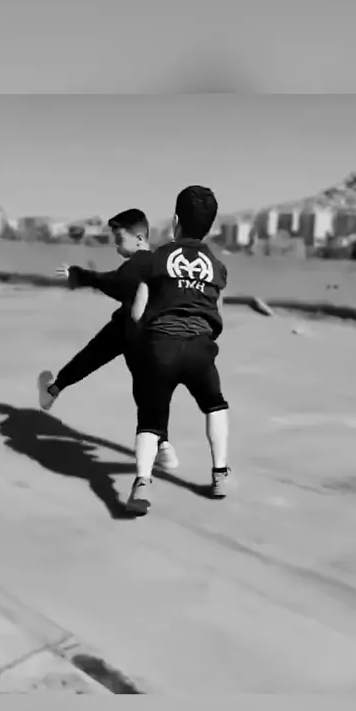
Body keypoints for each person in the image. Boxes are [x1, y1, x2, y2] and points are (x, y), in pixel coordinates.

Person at [36, 208, 179, 471]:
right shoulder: (161, 262)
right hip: (154, 334)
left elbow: (118, 283)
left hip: (129, 328)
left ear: (139, 238)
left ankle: (51, 392)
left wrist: (79, 275)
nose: (116, 245)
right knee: (148, 390)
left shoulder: (140, 262)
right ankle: (163, 446)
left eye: (120, 238)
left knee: (89, 358)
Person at [125, 186, 230, 515]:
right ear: (210, 226)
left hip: (161, 348)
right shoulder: (217, 267)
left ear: (175, 221)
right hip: (200, 349)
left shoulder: (155, 259)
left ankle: (142, 484)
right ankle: (220, 474)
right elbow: (216, 314)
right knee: (215, 405)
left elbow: (138, 312)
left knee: (150, 419)